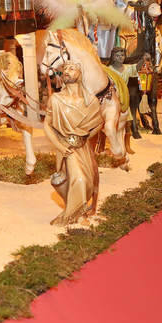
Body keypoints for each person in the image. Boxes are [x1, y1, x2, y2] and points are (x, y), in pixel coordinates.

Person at [44, 62, 103, 226]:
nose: (67, 71)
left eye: (72, 68)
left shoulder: (90, 101)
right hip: (66, 149)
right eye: (65, 69)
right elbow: (47, 124)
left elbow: (99, 123)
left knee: (89, 181)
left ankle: (79, 212)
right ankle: (70, 215)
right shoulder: (56, 99)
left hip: (83, 147)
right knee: (79, 180)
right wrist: (59, 145)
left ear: (80, 73)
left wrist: (84, 137)